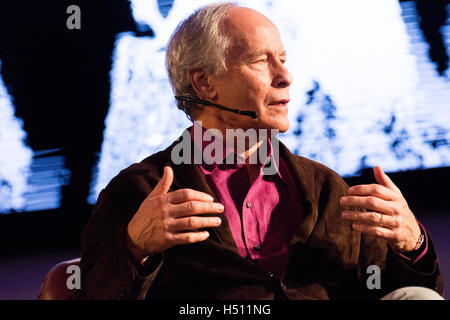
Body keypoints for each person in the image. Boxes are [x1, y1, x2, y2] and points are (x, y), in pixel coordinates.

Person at [78, 3, 444, 300]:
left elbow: (397, 288)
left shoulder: (326, 187)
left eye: (283, 59)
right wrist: (134, 247)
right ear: (205, 83)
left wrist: (411, 242)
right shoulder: (141, 192)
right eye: (260, 61)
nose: (285, 77)